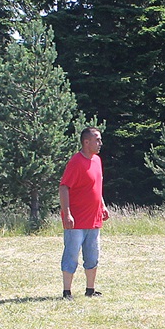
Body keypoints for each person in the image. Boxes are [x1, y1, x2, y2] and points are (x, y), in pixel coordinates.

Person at [60, 127, 110, 300]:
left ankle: (90, 289)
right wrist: (67, 213)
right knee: (71, 255)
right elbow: (64, 187)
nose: (100, 143)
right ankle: (67, 292)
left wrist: (102, 205)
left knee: (93, 255)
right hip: (76, 221)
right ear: (86, 142)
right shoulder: (76, 162)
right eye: (97, 140)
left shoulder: (97, 161)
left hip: (93, 219)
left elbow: (97, 186)